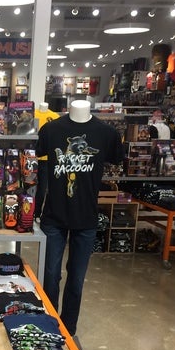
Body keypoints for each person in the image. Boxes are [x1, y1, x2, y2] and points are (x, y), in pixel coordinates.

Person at [35, 100, 124, 337]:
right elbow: (39, 154)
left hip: (86, 219)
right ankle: (50, 326)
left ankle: (69, 329)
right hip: (54, 216)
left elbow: (116, 158)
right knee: (50, 277)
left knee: (76, 280)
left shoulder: (106, 133)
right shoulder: (51, 130)